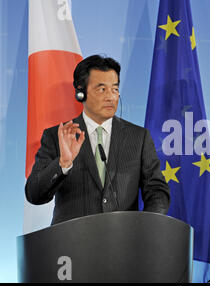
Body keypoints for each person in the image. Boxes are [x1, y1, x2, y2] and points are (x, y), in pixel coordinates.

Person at [25, 55, 170, 225]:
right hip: (71, 244)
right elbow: (34, 194)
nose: (111, 97)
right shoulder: (57, 136)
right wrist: (63, 163)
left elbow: (157, 191)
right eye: (102, 89)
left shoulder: (139, 137)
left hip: (123, 243)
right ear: (81, 93)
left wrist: (146, 226)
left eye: (115, 89)